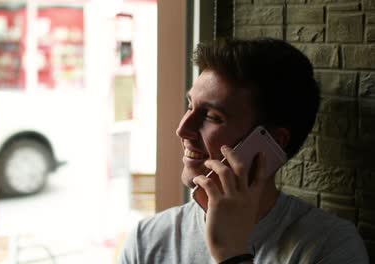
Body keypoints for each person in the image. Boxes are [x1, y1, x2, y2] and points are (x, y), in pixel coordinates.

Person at [118, 38, 369, 264]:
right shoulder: (147, 241)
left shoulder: (330, 247)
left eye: (212, 116)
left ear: (271, 142)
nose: (183, 129)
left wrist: (232, 254)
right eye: (190, 106)